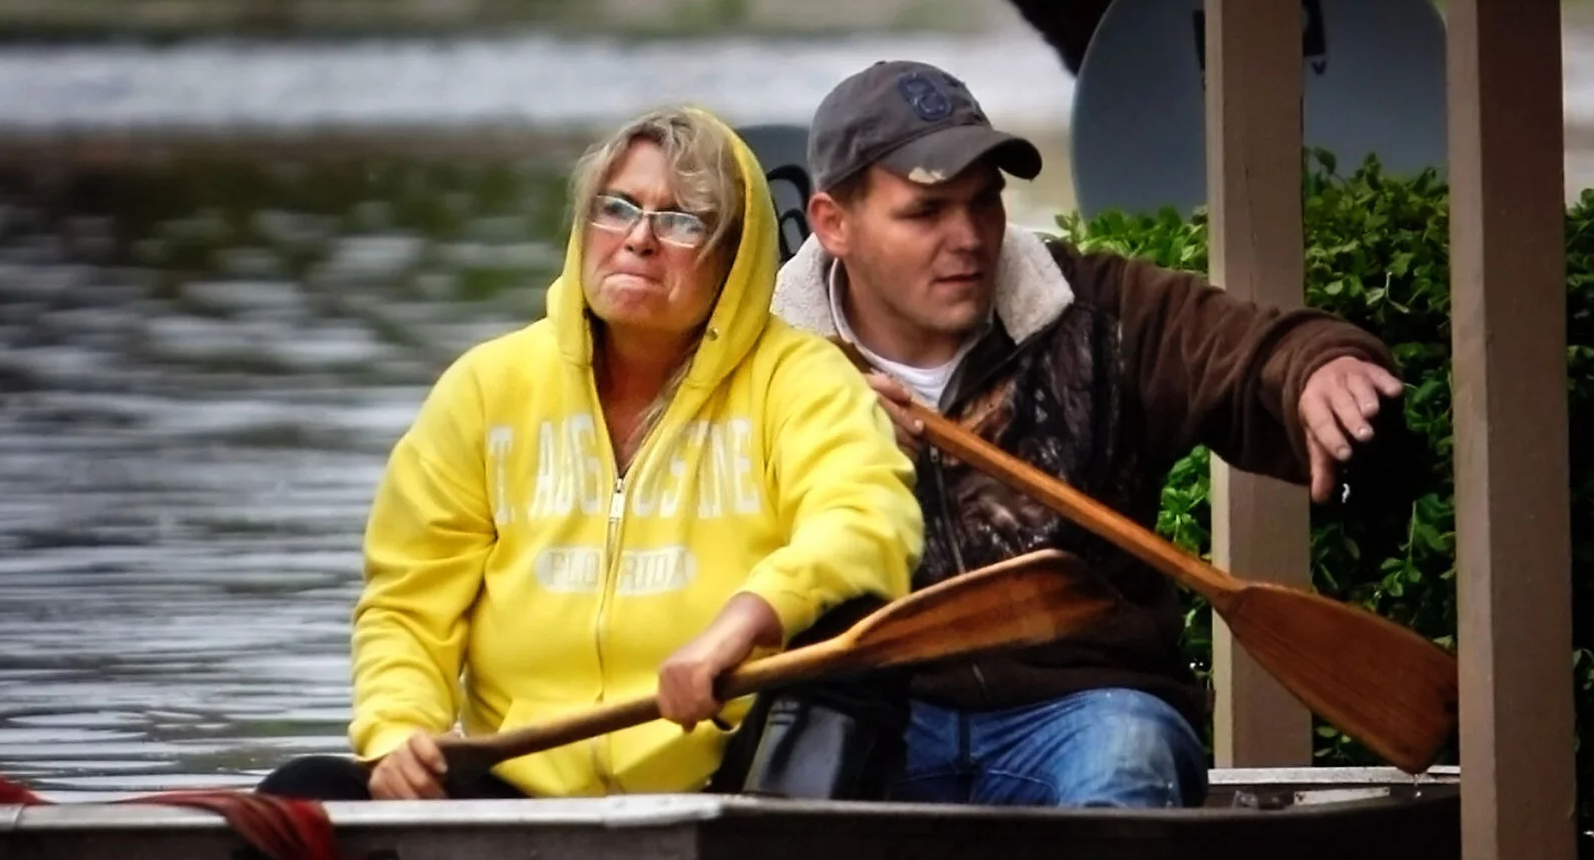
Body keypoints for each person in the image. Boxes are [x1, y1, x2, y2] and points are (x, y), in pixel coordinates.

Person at [771, 61, 1404, 810]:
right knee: (783, 808)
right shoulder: (765, 364)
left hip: (1085, 711)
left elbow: (1253, 349)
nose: (968, 237)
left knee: (1128, 757)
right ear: (832, 223)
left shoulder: (1097, 309)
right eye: (926, 211)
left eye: (984, 203)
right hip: (861, 713)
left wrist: (1320, 371)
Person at [263, 105, 921, 802]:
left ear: (736, 259)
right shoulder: (487, 388)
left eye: (682, 221)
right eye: (617, 208)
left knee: (852, 628)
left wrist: (741, 622)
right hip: (521, 789)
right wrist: (399, 737)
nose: (639, 239)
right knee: (299, 789)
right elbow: (406, 607)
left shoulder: (800, 380)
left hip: (727, 794)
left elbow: (869, 520)